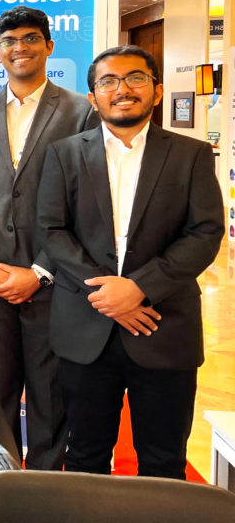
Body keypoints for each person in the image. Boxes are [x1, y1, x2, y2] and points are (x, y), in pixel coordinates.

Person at [37, 45, 223, 478]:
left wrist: (139, 288)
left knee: (163, 461)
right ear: (92, 97)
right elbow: (50, 230)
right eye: (108, 81)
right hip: (86, 329)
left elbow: (206, 233)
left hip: (164, 324)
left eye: (135, 78)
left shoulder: (190, 155)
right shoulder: (65, 154)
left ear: (157, 91)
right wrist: (106, 292)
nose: (122, 90)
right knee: (84, 457)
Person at [0, 5, 97, 471]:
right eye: (10, 42)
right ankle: (1, 488)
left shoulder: (82, 111)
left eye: (30, 38)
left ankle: (45, 490)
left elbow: (89, 205)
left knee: (52, 395)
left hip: (55, 284)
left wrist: (40, 272)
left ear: (49, 46)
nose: (20, 48)